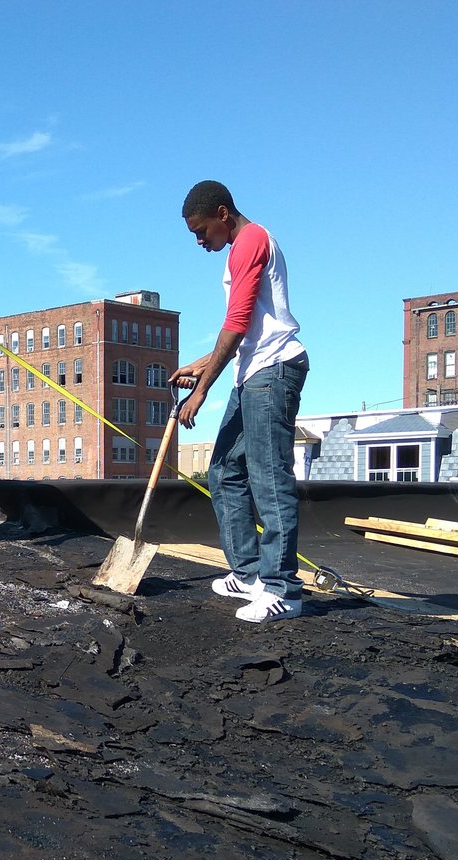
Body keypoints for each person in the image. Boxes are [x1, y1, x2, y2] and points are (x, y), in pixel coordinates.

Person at [171, 180, 309, 623]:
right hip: (252, 372)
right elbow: (244, 330)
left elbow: (238, 320)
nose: (198, 241)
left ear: (223, 213)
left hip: (273, 372)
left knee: (268, 478)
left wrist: (202, 389)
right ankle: (249, 574)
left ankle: (282, 589)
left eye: (201, 230)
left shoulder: (250, 240)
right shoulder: (241, 246)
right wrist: (201, 363)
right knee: (225, 470)